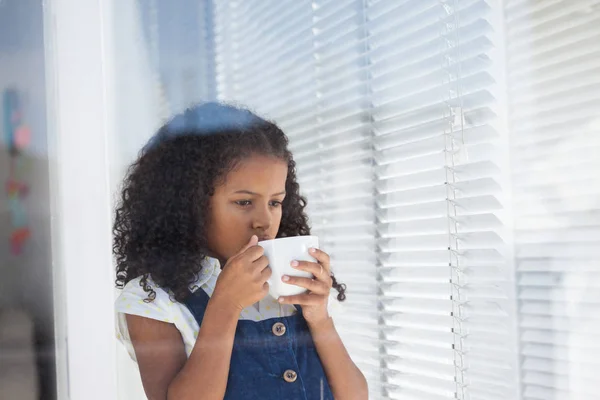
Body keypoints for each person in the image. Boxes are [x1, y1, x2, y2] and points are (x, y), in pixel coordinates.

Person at [113, 103, 368, 400]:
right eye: (244, 202)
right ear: (189, 203)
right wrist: (225, 307)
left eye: (275, 202)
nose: (264, 220)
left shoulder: (291, 286)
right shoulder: (153, 300)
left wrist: (320, 320)